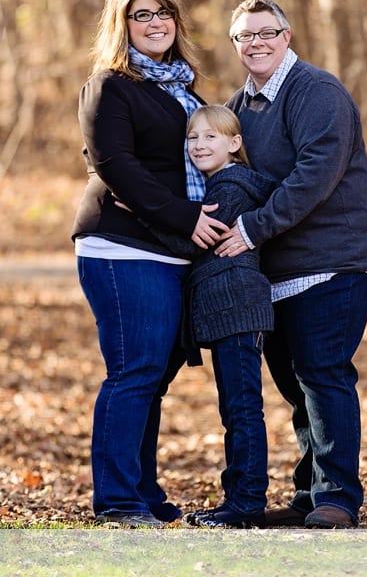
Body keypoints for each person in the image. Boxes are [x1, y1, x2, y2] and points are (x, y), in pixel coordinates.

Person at [217, 0, 367, 529]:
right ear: (235, 44)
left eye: (267, 32)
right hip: (280, 268)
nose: (257, 43)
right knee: (294, 383)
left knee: (322, 372)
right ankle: (309, 495)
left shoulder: (315, 91)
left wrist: (251, 228)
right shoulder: (240, 107)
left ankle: (338, 496)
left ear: (286, 37)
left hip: (335, 257)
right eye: (246, 36)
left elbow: (314, 174)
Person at [71, 0, 228, 528]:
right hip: (123, 246)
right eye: (142, 14)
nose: (156, 22)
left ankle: (143, 491)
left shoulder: (183, 90)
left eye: (164, 13)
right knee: (133, 371)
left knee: (153, 377)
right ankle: (117, 501)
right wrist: (189, 219)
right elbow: (117, 168)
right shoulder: (109, 86)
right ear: (123, 24)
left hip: (173, 249)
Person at [149, 106, 276, 529]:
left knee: (242, 410)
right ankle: (237, 499)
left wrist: (138, 214)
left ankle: (246, 505)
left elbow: (192, 242)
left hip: (238, 308)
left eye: (210, 138)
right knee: (235, 409)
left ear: (234, 144)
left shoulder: (231, 185)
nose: (199, 145)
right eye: (192, 138)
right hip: (229, 311)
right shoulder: (218, 184)